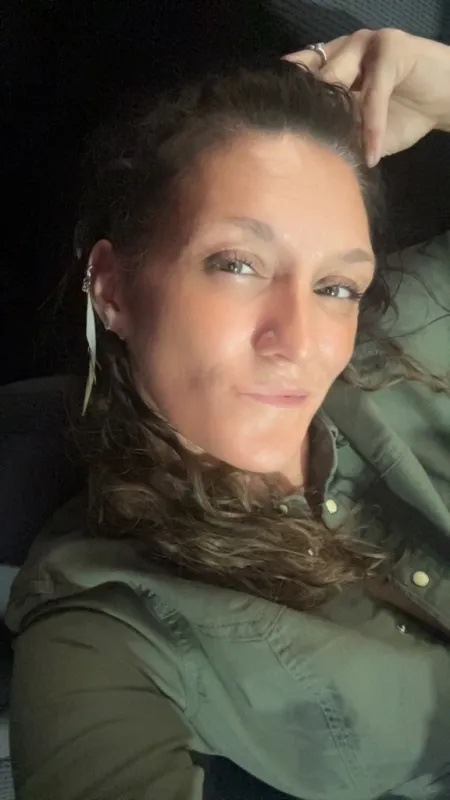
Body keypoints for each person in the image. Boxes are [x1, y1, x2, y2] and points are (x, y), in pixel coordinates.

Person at [5, 27, 450, 800]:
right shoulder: (107, 626)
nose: (300, 341)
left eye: (336, 287)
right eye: (237, 265)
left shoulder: (404, 341)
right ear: (112, 288)